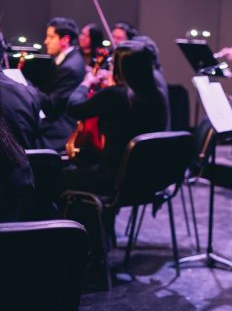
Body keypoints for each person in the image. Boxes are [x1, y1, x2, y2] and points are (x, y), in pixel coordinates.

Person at [59, 41, 170, 195]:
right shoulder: (158, 95)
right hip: (149, 179)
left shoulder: (114, 95)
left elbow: (74, 108)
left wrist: (86, 83)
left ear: (119, 67)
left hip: (114, 179)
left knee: (54, 176)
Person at [35, 17, 86, 151]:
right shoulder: (67, 58)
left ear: (65, 40)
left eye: (50, 37)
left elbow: (52, 105)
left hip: (60, 130)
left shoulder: (70, 66)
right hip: (55, 120)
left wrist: (28, 90)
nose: (46, 41)